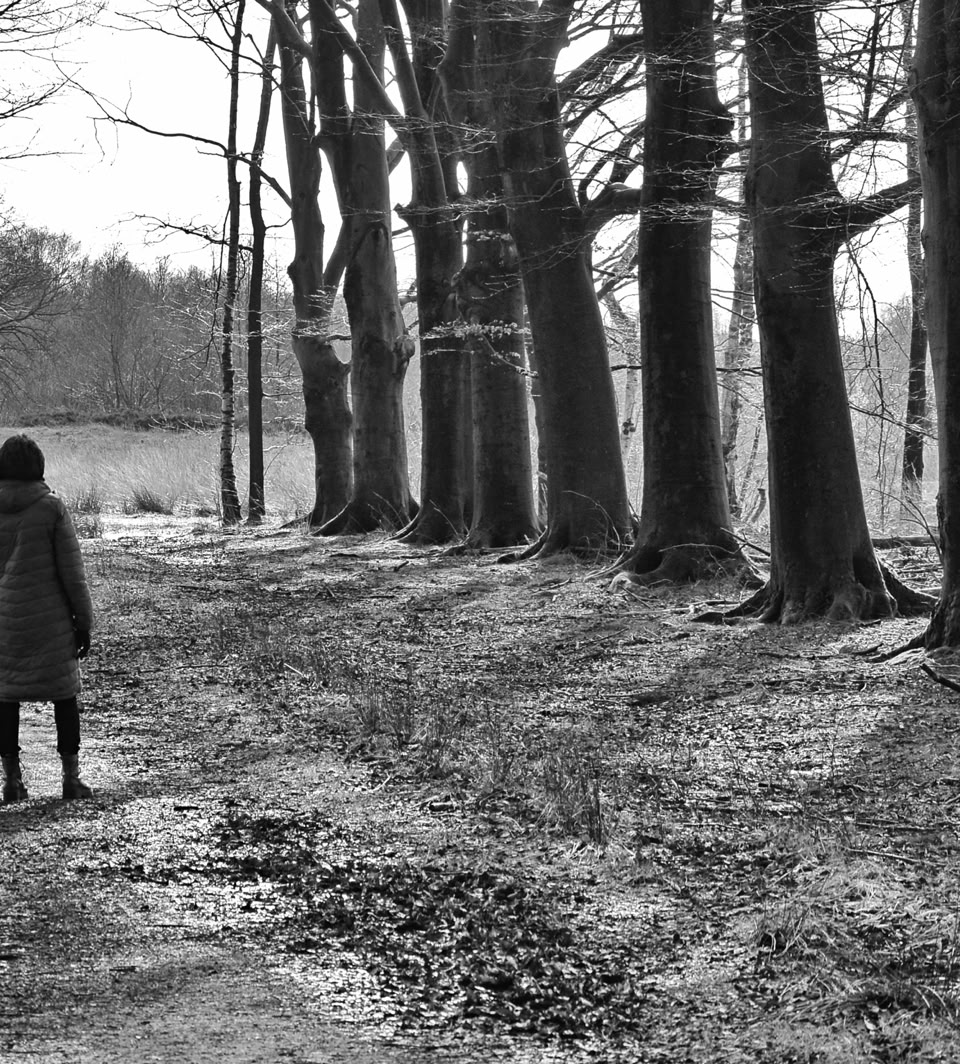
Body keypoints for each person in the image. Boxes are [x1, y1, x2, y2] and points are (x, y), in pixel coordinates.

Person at [0, 434, 94, 802]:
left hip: (4, 622)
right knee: (64, 696)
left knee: (4, 697)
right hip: (50, 622)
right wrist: (83, 622)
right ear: (38, 467)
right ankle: (71, 778)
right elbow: (73, 573)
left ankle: (11, 782)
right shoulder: (51, 508)